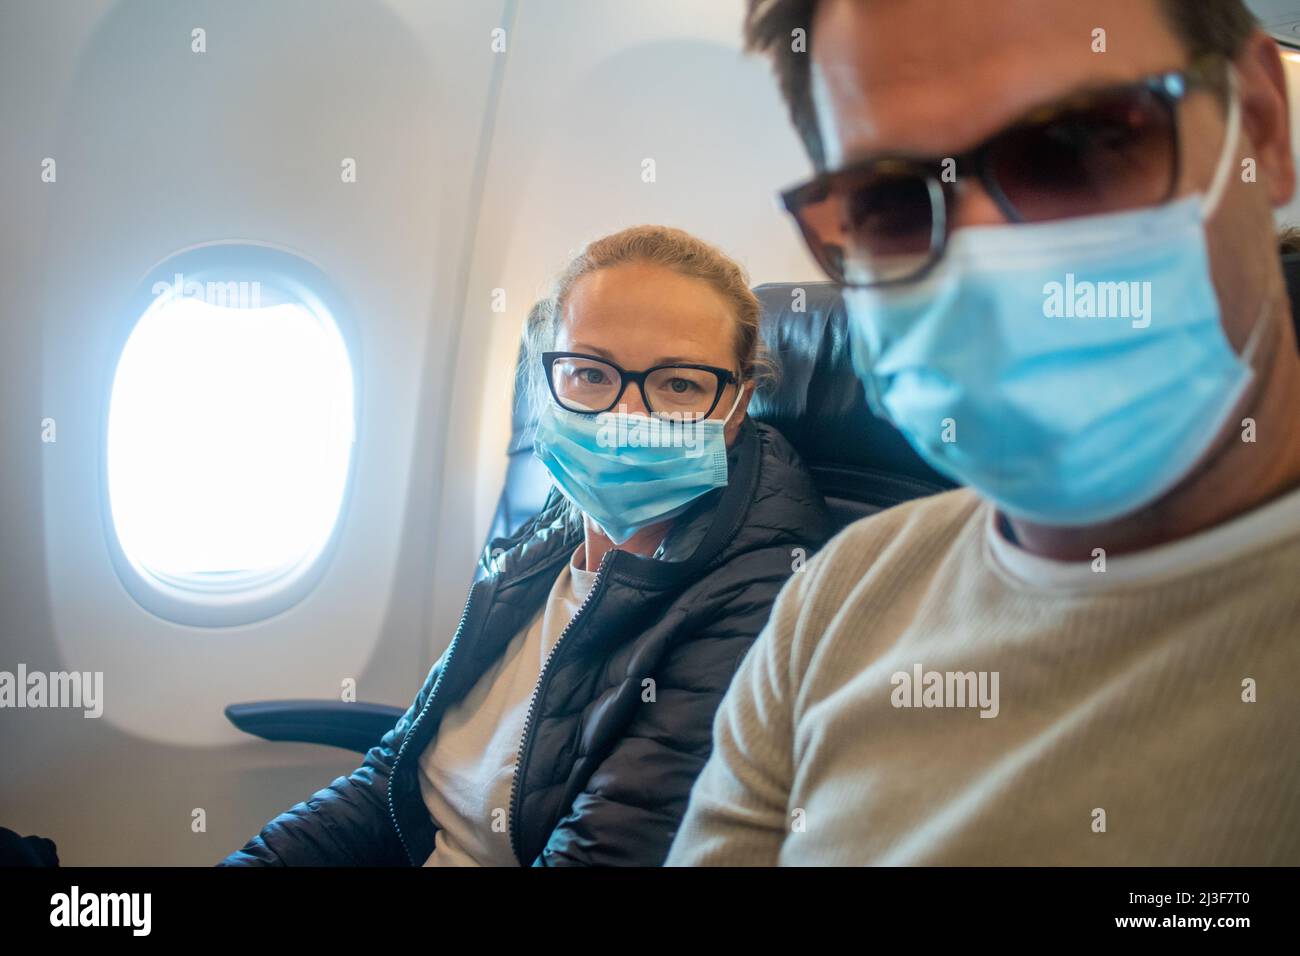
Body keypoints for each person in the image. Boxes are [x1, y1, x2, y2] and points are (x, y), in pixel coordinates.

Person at [667, 0, 1300, 864]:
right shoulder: (835, 598)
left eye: (1072, 149)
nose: (982, 259)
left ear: (1261, 129)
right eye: (892, 200)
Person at [219, 224, 831, 866]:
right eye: (591, 373)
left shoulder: (759, 595)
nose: (627, 418)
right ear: (550, 385)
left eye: (679, 385)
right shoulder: (548, 537)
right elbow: (389, 782)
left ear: (737, 408)